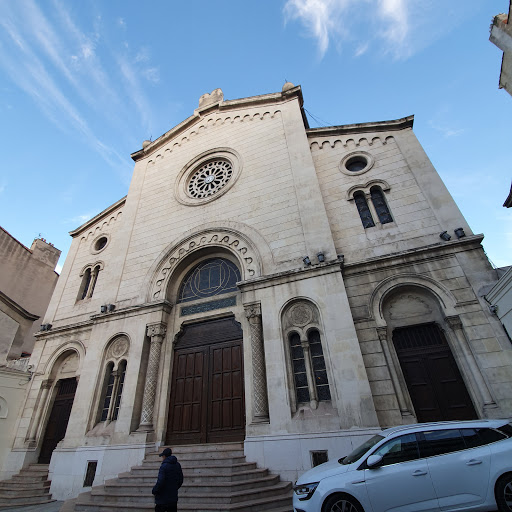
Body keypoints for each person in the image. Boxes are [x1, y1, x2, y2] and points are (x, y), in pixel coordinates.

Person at [152, 447, 183, 512]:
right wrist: (174, 488)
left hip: (162, 499)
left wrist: (155, 490)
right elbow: (181, 480)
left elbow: (160, 481)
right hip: (173, 498)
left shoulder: (164, 466)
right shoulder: (177, 465)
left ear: (164, 456)